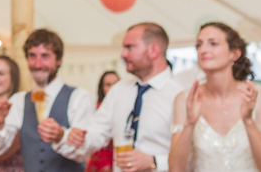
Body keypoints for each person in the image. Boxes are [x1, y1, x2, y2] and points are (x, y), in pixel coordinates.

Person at [66, 23, 183, 172]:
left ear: (153, 50)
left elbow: (193, 155)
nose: (123, 54)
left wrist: (155, 161)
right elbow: (97, 131)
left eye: (130, 47)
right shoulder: (119, 90)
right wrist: (78, 137)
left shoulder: (180, 94)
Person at [168, 22, 261, 172]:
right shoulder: (186, 99)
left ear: (234, 54)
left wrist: (248, 121)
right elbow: (175, 169)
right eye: (199, 45)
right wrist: (190, 123)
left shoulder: (259, 96)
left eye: (213, 44)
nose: (204, 50)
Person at [0, 29, 95, 172]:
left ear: (59, 60)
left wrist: (61, 136)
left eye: (45, 56)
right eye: (32, 56)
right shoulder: (18, 101)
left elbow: (85, 152)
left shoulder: (79, 97)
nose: (37, 64)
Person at [86, 71, 120, 172]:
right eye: (108, 85)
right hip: (100, 156)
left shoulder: (127, 109)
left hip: (119, 156)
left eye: (116, 84)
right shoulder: (96, 109)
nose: (112, 88)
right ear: (102, 88)